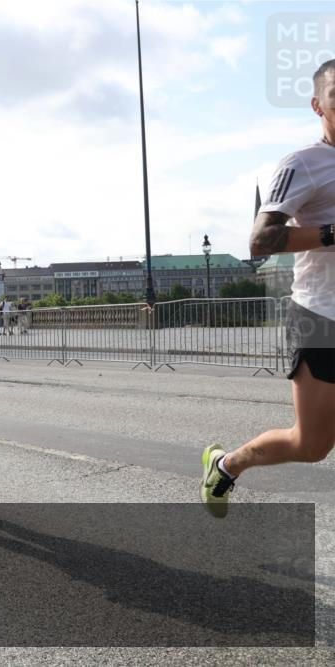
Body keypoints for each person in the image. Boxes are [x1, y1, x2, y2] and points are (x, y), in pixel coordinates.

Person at [201, 60, 335, 518]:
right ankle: (227, 464)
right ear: (318, 104)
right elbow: (260, 240)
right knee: (312, 444)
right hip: (321, 316)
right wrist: (330, 235)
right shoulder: (303, 164)